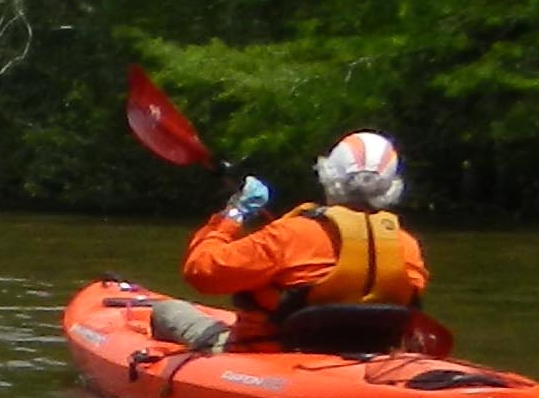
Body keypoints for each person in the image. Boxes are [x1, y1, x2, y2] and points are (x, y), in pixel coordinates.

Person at [147, 131, 428, 352]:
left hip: (270, 356)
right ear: (392, 187)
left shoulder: (289, 235)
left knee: (166, 310)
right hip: (368, 357)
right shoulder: (407, 247)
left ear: (329, 176)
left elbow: (201, 271)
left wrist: (234, 212)